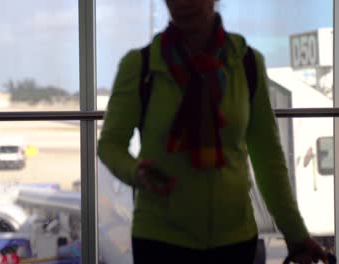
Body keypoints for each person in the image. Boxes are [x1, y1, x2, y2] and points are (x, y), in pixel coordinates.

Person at [97, 0, 328, 263]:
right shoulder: (141, 66)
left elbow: (268, 159)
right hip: (160, 240)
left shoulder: (247, 64)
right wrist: (134, 171)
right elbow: (110, 144)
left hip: (234, 240)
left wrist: (296, 235)